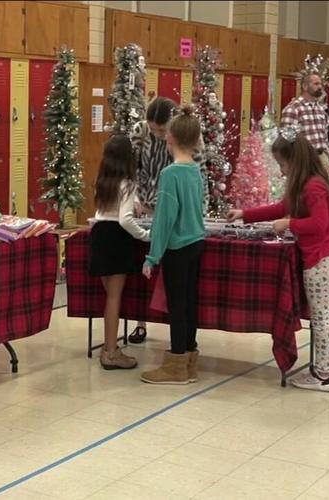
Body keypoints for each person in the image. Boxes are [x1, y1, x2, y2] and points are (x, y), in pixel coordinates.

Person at [228, 130, 329, 392]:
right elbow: (280, 207)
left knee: (322, 319)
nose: (281, 170)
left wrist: (290, 223)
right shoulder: (306, 184)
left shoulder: (313, 186)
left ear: (294, 160)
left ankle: (323, 375)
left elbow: (319, 223)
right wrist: (244, 214)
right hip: (327, 257)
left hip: (321, 259)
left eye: (282, 164)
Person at [139, 104, 206, 385]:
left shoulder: (170, 174)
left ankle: (176, 365)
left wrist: (152, 257)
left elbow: (164, 220)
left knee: (176, 306)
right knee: (189, 303)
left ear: (170, 138)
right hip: (196, 243)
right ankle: (189, 359)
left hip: (177, 248)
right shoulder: (195, 170)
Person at [89, 135, 150, 370]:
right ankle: (111, 351)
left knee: (109, 297)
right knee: (114, 298)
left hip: (100, 235)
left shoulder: (102, 181)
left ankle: (109, 347)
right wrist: (145, 236)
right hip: (116, 239)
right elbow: (125, 220)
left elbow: (106, 212)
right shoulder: (128, 184)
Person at [128, 96, 177, 344]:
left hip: (169, 207)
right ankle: (140, 322)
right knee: (142, 265)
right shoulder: (140, 132)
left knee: (169, 268)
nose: (159, 134)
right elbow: (130, 168)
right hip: (143, 205)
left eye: (162, 130)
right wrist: (133, 197)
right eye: (155, 129)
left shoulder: (180, 133)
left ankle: (175, 326)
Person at [281, 71, 329, 171]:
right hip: (304, 159)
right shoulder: (293, 108)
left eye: (321, 83)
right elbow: (286, 139)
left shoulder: (320, 109)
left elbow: (324, 135)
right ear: (305, 86)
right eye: (316, 84)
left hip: (322, 158)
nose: (320, 87)